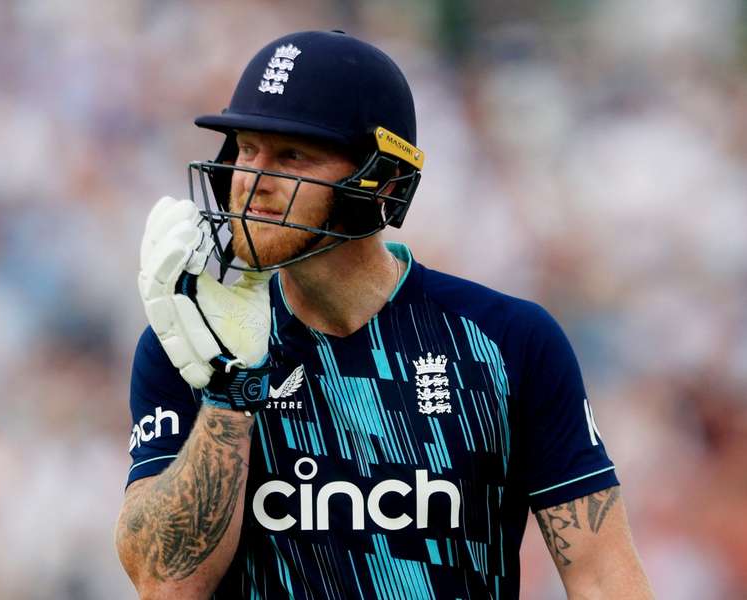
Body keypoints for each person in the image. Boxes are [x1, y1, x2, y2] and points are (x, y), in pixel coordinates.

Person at [115, 30, 653, 599]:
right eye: (247, 148)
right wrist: (231, 391)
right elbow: (164, 582)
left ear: (382, 181)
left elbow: (600, 573)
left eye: (293, 155)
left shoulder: (509, 341)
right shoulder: (188, 345)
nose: (252, 181)